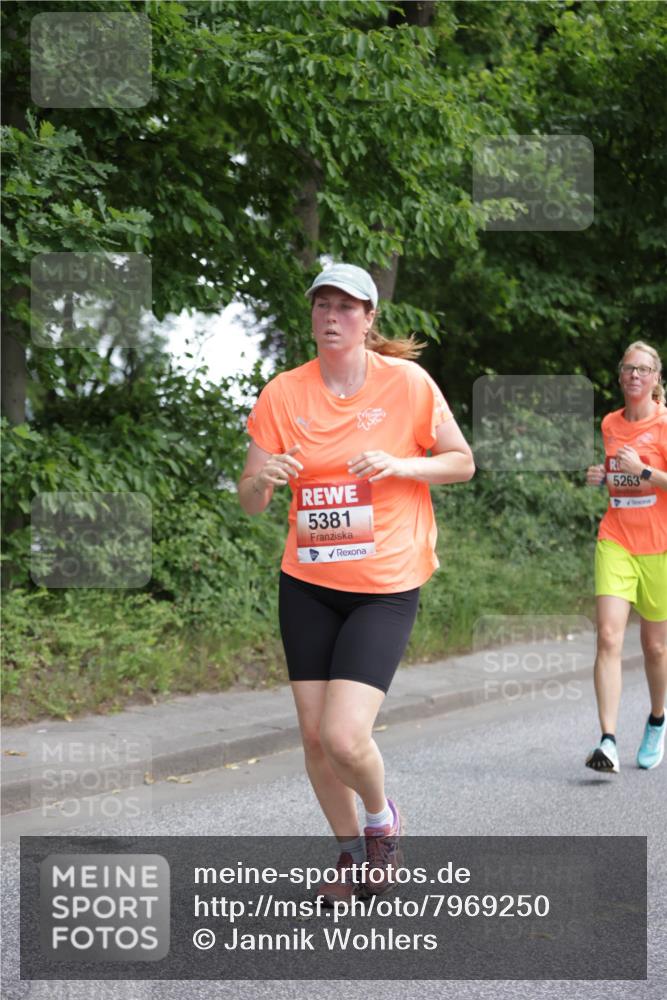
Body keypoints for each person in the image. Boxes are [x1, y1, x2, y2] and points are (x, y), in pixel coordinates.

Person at [238, 262, 474, 902]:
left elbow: (462, 463)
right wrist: (265, 480)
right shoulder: (284, 393)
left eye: (346, 307)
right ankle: (349, 857)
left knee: (345, 736)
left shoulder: (407, 383)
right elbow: (250, 500)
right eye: (323, 305)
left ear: (369, 319)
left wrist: (401, 465)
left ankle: (381, 820)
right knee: (315, 738)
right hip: (308, 582)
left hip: (384, 584)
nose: (332, 317)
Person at [585, 341, 667, 774]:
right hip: (615, 539)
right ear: (620, 376)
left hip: (659, 547)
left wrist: (644, 471)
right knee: (608, 637)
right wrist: (603, 476)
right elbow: (619, 478)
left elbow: (645, 477)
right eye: (628, 368)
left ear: (656, 379)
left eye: (643, 369)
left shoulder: (665, 424)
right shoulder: (610, 423)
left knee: (655, 647)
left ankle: (657, 719)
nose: (635, 375)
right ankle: (609, 741)